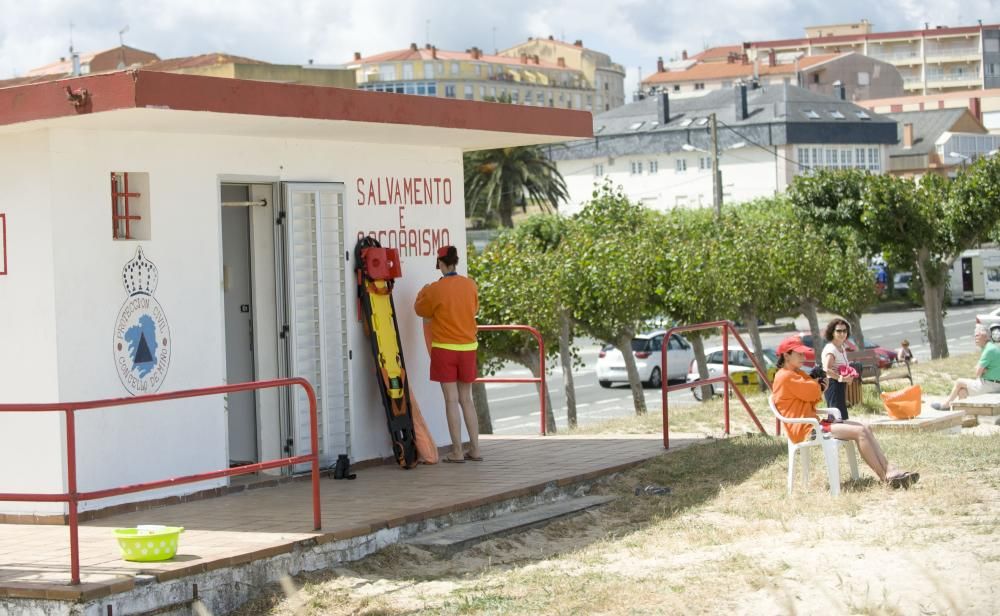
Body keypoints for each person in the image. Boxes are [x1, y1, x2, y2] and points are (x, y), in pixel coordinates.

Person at [772, 335, 917, 488]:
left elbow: (811, 395)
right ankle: (885, 477)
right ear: (786, 355)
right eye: (799, 353)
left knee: (865, 427)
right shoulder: (786, 376)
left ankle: (889, 469)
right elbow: (812, 392)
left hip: (812, 424)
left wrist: (818, 386)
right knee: (860, 432)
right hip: (806, 429)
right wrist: (820, 386)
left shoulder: (795, 373)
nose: (804, 356)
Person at [414, 246, 482, 463]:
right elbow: (475, 309)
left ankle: (457, 452)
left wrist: (423, 292)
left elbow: (420, 310)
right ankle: (476, 449)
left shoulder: (436, 289)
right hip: (468, 348)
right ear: (456, 262)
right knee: (467, 400)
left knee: (451, 401)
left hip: (445, 349)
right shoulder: (470, 285)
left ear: (440, 264)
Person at [931, 324, 1000, 409]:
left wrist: (983, 370)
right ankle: (964, 415)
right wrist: (984, 370)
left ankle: (946, 405)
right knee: (962, 391)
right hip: (993, 384)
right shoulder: (991, 347)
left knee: (959, 382)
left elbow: (977, 373)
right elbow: (980, 370)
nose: (975, 338)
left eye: (978, 335)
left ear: (986, 337)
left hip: (990, 385)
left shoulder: (988, 350)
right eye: (975, 335)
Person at [821, 318, 855, 421]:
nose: (842, 333)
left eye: (844, 331)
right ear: (832, 332)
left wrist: (848, 378)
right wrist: (842, 378)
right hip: (833, 385)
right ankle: (832, 435)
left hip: (839, 384)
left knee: (840, 416)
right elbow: (827, 369)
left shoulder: (841, 347)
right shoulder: (831, 349)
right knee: (836, 417)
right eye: (839, 331)